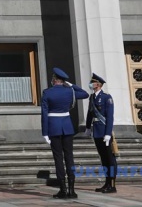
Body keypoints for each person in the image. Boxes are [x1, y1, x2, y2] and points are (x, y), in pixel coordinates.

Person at [41, 67, 89, 199]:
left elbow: (44, 114)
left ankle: (63, 189)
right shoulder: (70, 91)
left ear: (54, 80)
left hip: (53, 127)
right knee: (69, 157)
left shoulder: (47, 93)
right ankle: (72, 190)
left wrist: (45, 132)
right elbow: (85, 93)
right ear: (63, 81)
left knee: (58, 158)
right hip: (67, 127)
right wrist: (72, 85)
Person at [85, 73, 118, 193]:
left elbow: (110, 117)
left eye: (93, 82)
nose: (91, 84)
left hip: (104, 132)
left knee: (110, 159)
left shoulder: (106, 97)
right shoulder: (92, 97)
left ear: (98, 84)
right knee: (103, 159)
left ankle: (112, 184)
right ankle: (106, 182)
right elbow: (90, 113)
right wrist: (88, 128)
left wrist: (108, 133)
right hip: (97, 132)